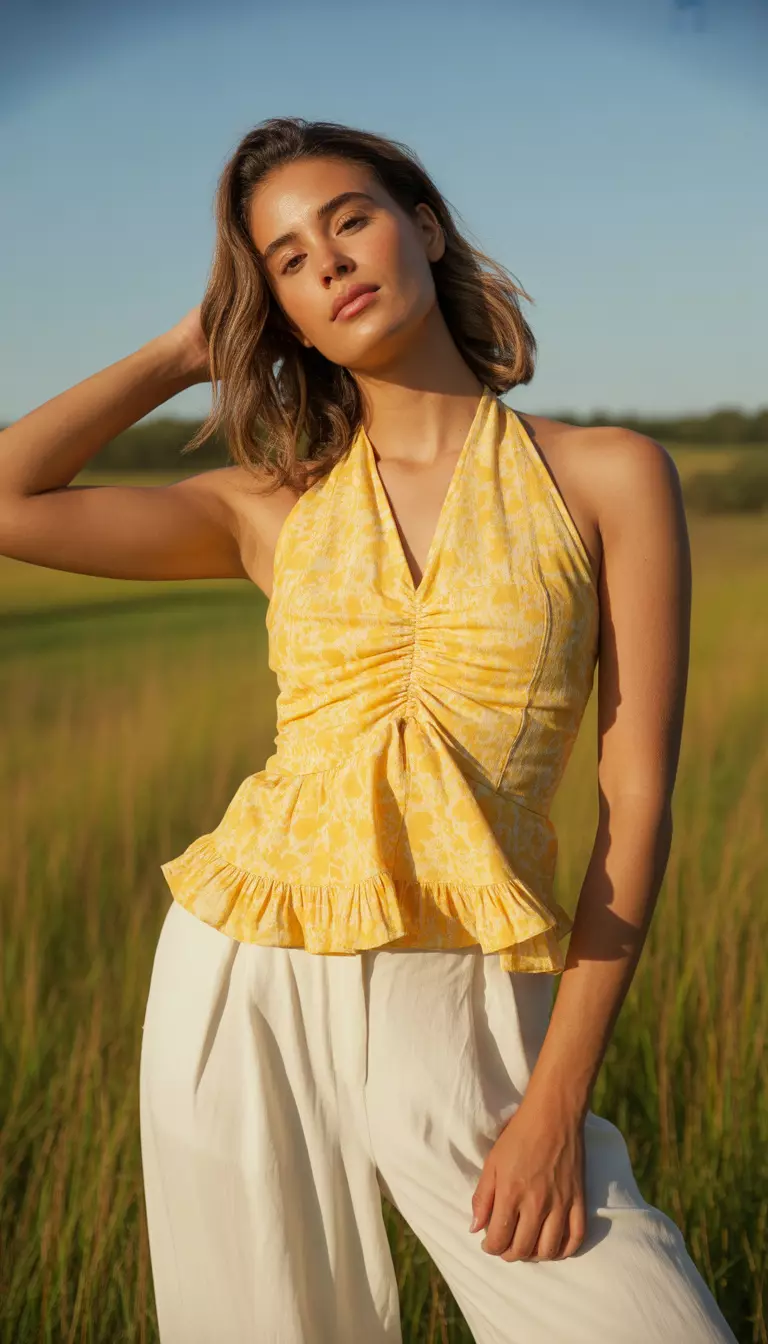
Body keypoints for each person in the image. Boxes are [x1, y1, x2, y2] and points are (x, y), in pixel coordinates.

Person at [0, 116, 737, 1344]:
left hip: (466, 988)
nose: (329, 262)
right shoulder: (268, 508)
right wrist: (188, 347)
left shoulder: (609, 475)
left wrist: (558, 1101)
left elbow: (639, 796)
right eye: (285, 259)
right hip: (242, 962)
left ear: (424, 226)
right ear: (277, 308)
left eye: (349, 219)